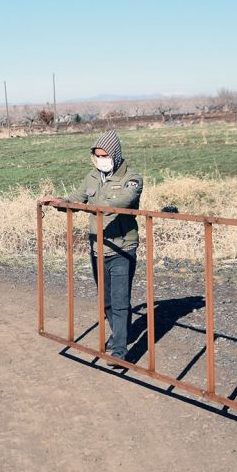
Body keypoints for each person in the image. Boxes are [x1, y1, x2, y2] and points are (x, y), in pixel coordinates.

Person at [46, 129, 143, 359]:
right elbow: (76, 198)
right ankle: (120, 333)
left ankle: (119, 350)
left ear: (115, 155)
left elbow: (125, 200)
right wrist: (58, 202)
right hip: (97, 248)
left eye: (105, 155)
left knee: (120, 300)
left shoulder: (132, 178)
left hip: (122, 247)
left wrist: (94, 206)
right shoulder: (91, 177)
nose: (101, 160)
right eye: (97, 156)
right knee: (107, 300)